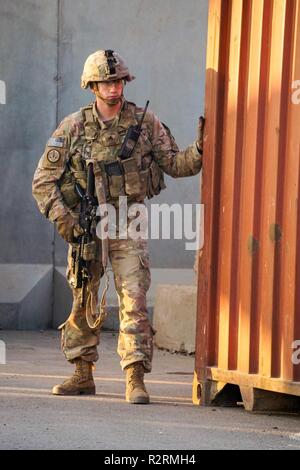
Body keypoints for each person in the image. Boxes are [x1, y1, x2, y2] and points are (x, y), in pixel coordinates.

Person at [32, 50, 204, 404]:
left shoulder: (144, 123)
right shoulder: (73, 126)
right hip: (87, 225)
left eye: (118, 81)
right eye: (106, 82)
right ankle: (82, 374)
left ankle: (135, 378)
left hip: (129, 221)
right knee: (84, 297)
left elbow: (175, 163)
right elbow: (43, 181)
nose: (113, 88)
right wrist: (67, 222)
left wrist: (202, 148)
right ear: (92, 86)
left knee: (134, 299)